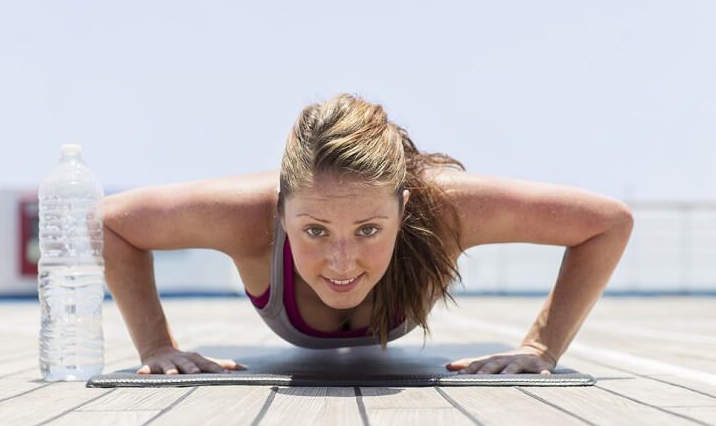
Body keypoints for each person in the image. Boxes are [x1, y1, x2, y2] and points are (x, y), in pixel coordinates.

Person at [103, 93, 634, 376]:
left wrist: (542, 346)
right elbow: (106, 222)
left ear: (404, 209)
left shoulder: (445, 208)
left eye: (368, 229)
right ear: (279, 211)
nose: (340, 261)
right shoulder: (244, 215)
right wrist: (156, 346)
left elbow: (607, 223)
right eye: (313, 229)